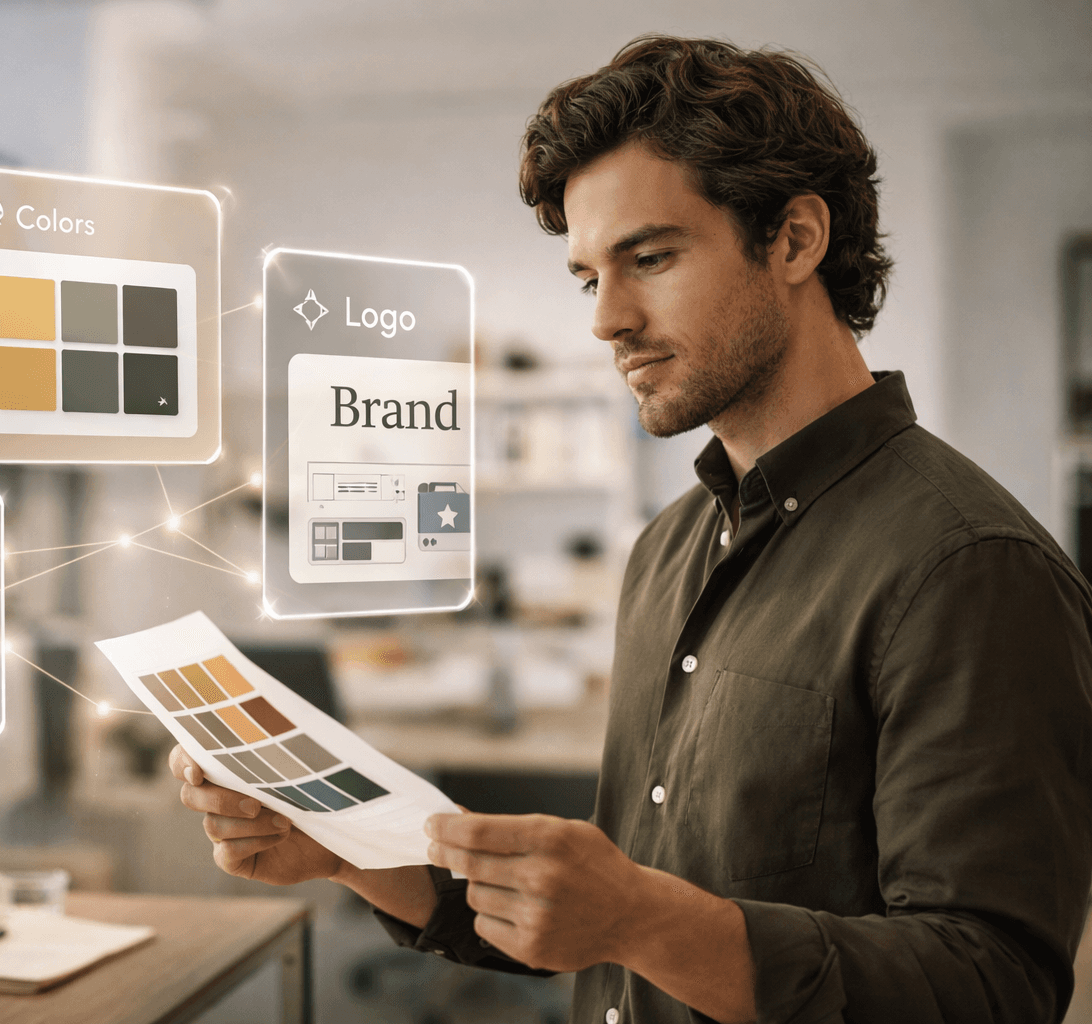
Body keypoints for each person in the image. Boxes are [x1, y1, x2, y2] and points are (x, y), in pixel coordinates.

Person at [169, 34, 1092, 1023]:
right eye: (587, 277)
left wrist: (639, 919)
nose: (607, 318)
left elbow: (993, 985)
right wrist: (349, 848)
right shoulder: (667, 551)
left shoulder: (967, 567)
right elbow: (608, 923)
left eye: (649, 257)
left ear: (793, 239)